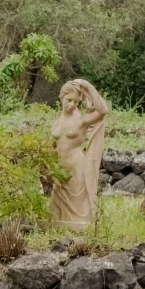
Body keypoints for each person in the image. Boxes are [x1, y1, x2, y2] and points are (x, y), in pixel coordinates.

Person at [49, 79, 109, 229]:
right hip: (60, 171)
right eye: (68, 100)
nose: (71, 105)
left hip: (77, 169)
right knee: (53, 215)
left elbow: (103, 110)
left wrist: (87, 86)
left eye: (75, 102)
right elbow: (51, 145)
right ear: (61, 97)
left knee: (79, 216)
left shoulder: (81, 120)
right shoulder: (57, 121)